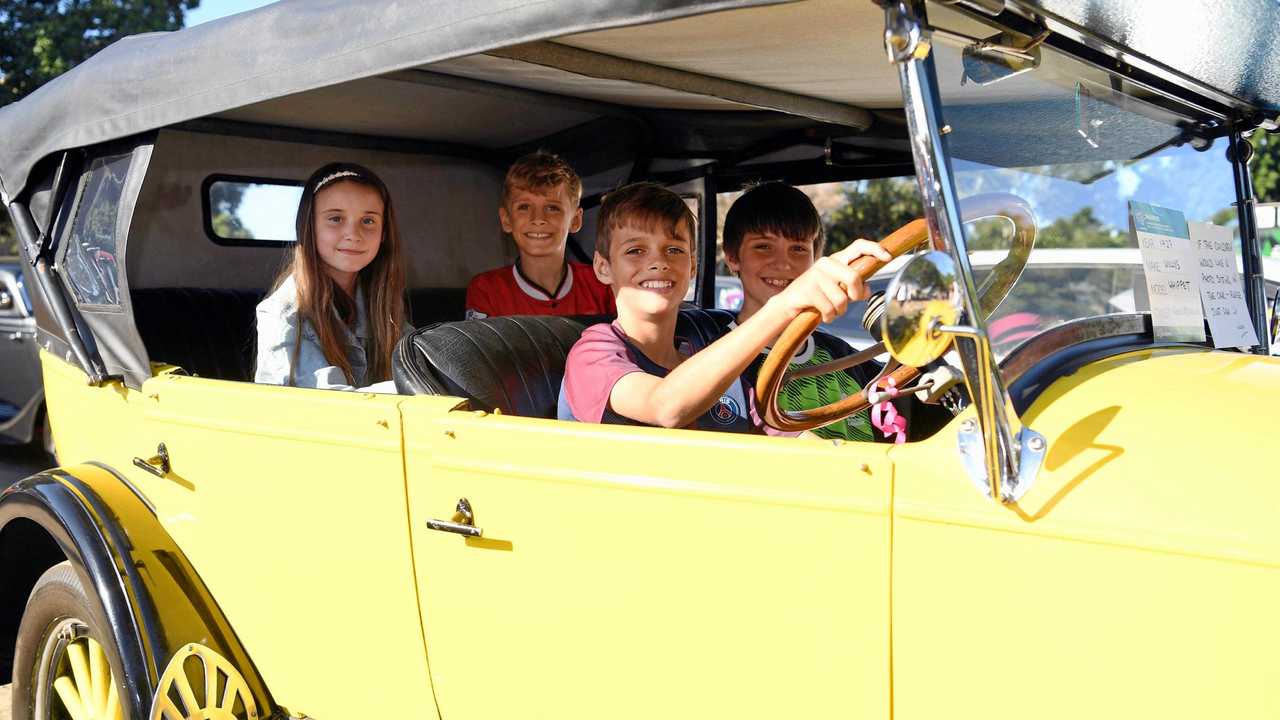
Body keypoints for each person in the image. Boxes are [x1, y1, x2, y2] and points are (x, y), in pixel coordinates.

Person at [558, 182, 890, 434]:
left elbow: (780, 435)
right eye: (635, 251)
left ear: (692, 266)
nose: (658, 263)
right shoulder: (595, 352)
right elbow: (665, 406)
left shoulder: (702, 345)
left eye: (674, 250)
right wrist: (785, 305)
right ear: (603, 268)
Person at [723, 182, 880, 441]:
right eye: (763, 246)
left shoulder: (836, 354)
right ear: (732, 257)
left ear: (815, 260)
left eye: (798, 249)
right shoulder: (720, 358)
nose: (783, 263)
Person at [255, 162, 408, 390]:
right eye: (335, 219)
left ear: (384, 233)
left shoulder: (382, 304)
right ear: (308, 226)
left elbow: (419, 360)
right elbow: (326, 409)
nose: (353, 234)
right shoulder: (284, 314)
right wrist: (416, 387)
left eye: (368, 221)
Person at [465, 151, 614, 319]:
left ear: (575, 220)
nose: (538, 219)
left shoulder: (603, 284)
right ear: (506, 219)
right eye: (524, 207)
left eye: (552, 208)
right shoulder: (487, 289)